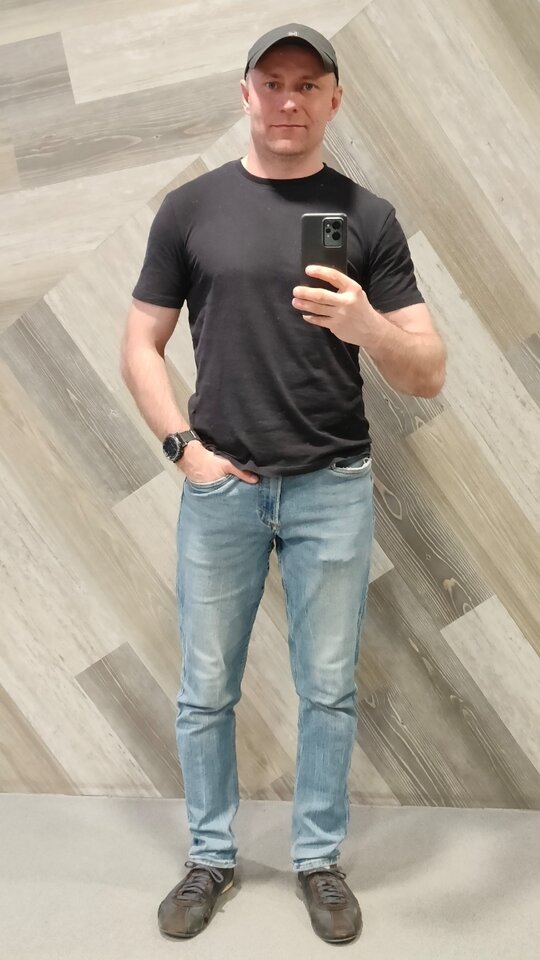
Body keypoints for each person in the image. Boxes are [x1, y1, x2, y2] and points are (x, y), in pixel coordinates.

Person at [121, 22, 446, 945]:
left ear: (335, 99)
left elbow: (427, 370)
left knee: (329, 688)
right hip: (221, 486)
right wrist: (183, 449)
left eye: (309, 84)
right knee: (204, 688)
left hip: (332, 486)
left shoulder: (368, 217)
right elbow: (139, 343)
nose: (290, 101)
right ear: (246, 95)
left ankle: (318, 860)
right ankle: (210, 857)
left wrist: (365, 325)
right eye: (273, 83)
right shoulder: (190, 210)